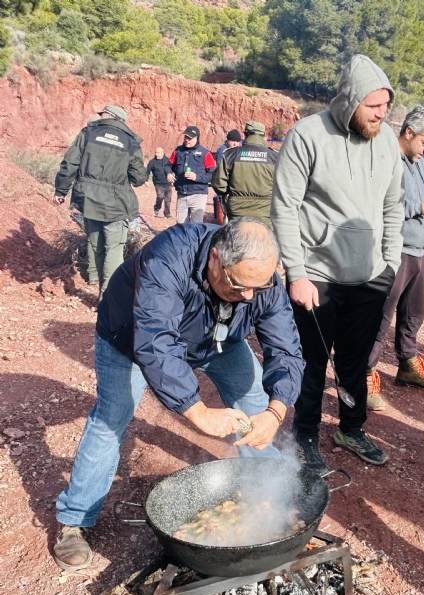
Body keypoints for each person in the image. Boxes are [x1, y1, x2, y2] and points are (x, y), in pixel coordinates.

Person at [52, 218, 305, 571]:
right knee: (113, 415)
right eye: (239, 286)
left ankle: (270, 494)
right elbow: (156, 342)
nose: (249, 296)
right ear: (215, 257)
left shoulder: (261, 282)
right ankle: (75, 519)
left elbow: (286, 349)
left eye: (258, 288)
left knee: (254, 401)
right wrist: (198, 411)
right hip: (131, 340)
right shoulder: (169, 256)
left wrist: (275, 412)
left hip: (216, 341)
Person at [271, 55, 403, 474]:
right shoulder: (307, 135)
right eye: (374, 106)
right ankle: (305, 435)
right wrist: (296, 272)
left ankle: (351, 428)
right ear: (349, 101)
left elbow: (393, 205)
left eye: (386, 105)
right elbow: (285, 207)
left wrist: (390, 262)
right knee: (311, 360)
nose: (382, 114)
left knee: (354, 361)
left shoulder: (386, 140)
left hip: (370, 277)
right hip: (318, 277)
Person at [366, 107, 424, 411]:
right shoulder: (386, 158)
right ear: (409, 132)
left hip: (418, 249)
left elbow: (423, 198)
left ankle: (407, 365)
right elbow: (379, 205)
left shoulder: (417, 163)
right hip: (394, 250)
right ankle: (364, 374)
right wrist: (422, 205)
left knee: (414, 312)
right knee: (381, 314)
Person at [53, 105, 147, 296]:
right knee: (113, 248)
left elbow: (70, 163)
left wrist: (61, 190)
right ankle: (107, 297)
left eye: (102, 114)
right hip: (116, 201)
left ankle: (95, 278)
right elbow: (138, 179)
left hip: (88, 199)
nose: (100, 116)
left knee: (96, 243)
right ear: (120, 120)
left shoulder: (88, 133)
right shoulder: (130, 141)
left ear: (109, 116)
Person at [212, 121, 280, 227]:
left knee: (238, 242)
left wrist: (233, 191)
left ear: (245, 135)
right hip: (265, 214)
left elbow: (219, 186)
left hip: (237, 213)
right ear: (263, 136)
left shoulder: (230, 154)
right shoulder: (275, 157)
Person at [166, 126, 217, 224]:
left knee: (196, 226)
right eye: (185, 137)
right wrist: (168, 173)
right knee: (180, 226)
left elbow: (213, 175)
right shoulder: (178, 151)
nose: (187, 140)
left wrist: (196, 177)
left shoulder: (206, 154)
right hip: (182, 195)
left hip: (198, 195)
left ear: (197, 138)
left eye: (190, 138)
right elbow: (168, 165)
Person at [145, 147, 173, 219]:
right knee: (160, 197)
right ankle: (157, 208)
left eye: (158, 152)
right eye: (156, 153)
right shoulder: (152, 162)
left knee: (168, 199)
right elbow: (147, 171)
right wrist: (146, 180)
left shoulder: (168, 160)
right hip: (158, 184)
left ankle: (167, 213)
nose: (156, 154)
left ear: (162, 152)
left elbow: (173, 169)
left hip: (168, 183)